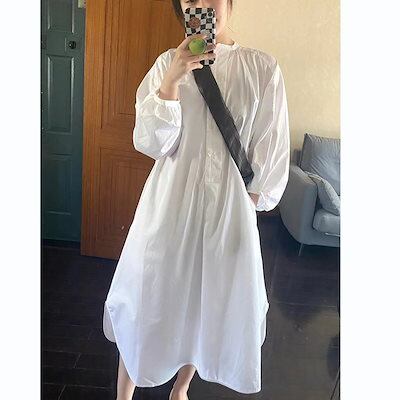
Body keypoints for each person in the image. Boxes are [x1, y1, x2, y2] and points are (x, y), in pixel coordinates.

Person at [102, 1, 291, 399]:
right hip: (169, 207)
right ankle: (124, 395)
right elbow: (152, 143)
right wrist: (172, 80)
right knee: (146, 298)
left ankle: (181, 389)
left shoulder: (261, 68)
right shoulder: (165, 64)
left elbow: (270, 150)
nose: (201, 6)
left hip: (227, 211)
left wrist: (246, 208)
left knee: (205, 305)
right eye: (189, 0)